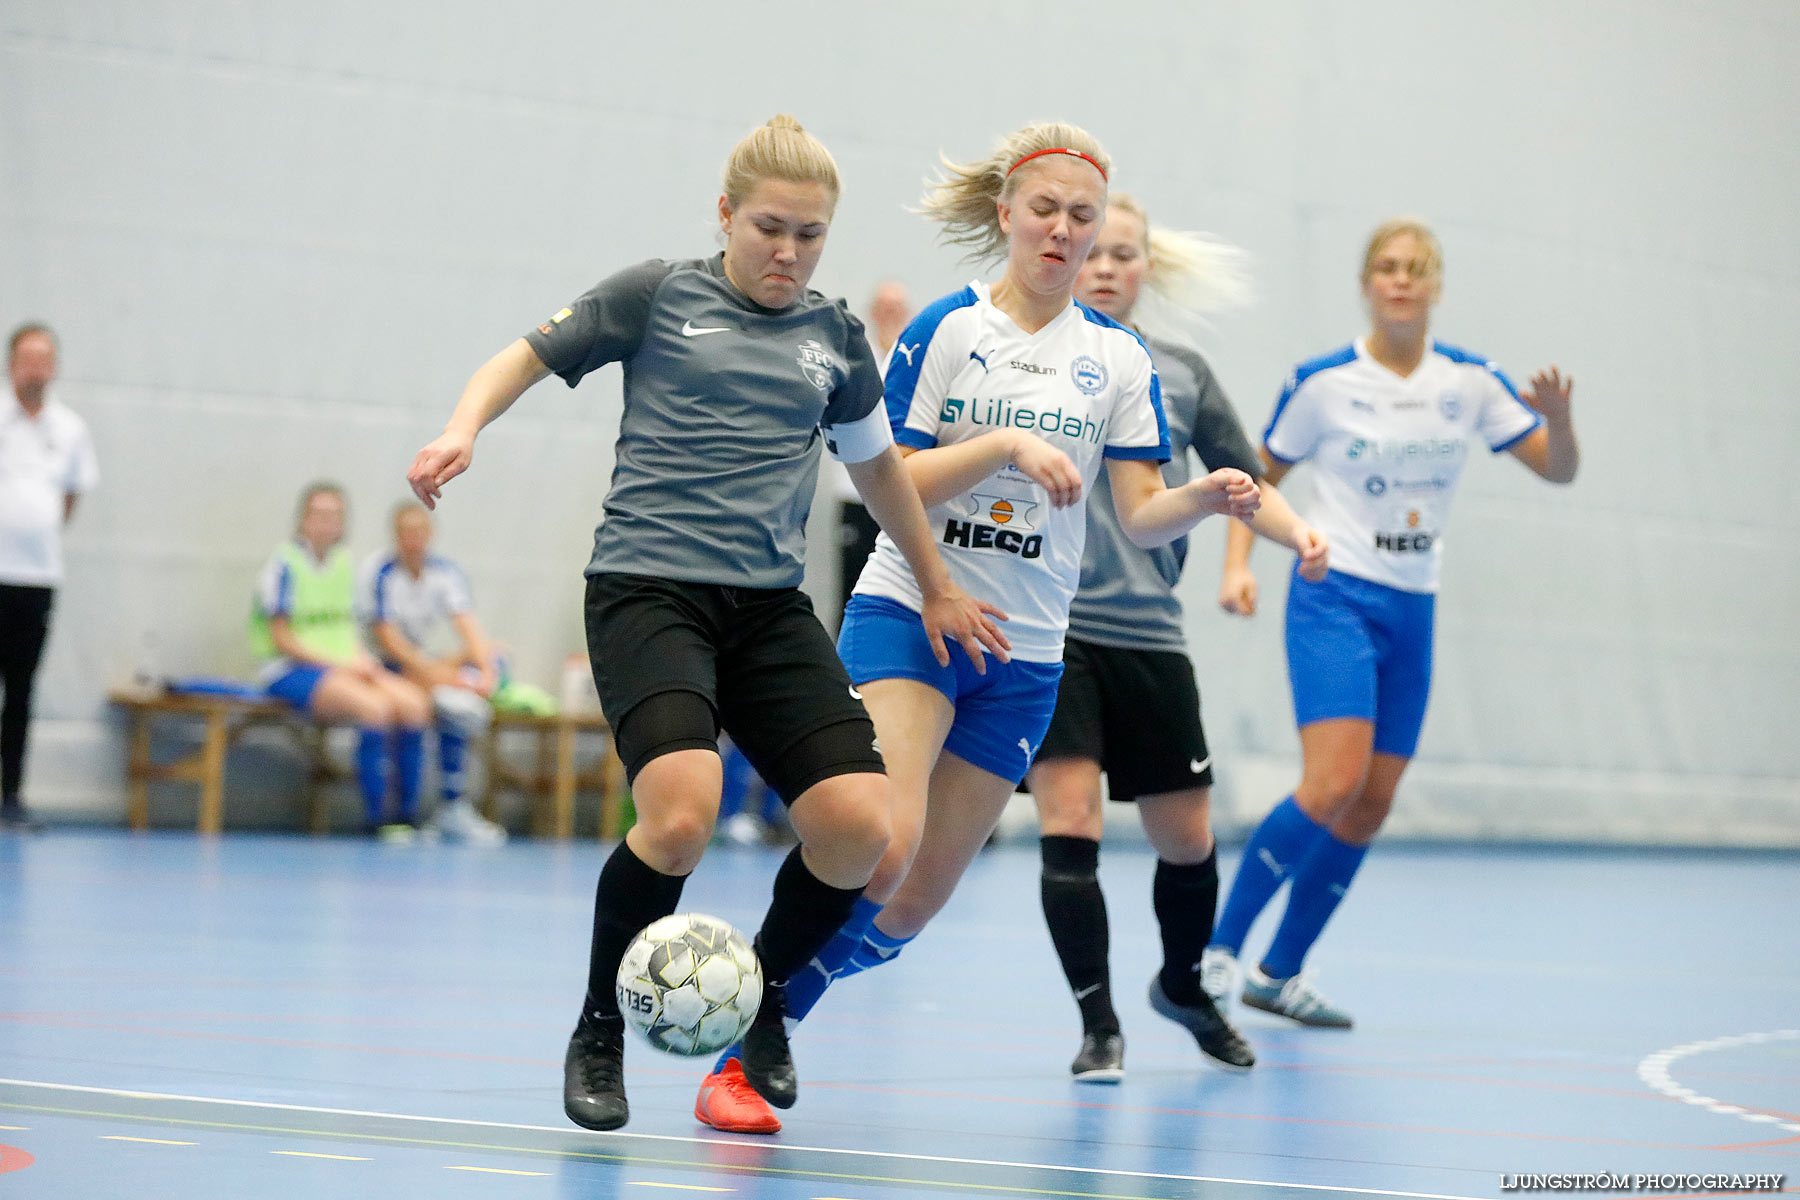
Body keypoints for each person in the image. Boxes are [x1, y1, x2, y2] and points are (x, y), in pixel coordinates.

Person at [405, 115, 1005, 1133]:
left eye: (810, 234)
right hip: (649, 590)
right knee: (681, 811)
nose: (789, 251)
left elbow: (879, 472)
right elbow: (520, 357)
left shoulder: (834, 340)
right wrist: (462, 429)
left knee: (862, 830)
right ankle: (600, 1026)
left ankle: (761, 1007)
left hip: (766, 610)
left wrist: (940, 582)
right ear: (726, 215)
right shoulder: (656, 295)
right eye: (770, 227)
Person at [694, 122, 1262, 1134]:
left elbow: (1134, 512)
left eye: (1081, 217)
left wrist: (1206, 499)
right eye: (1044, 209)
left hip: (1027, 652)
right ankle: (746, 1042)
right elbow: (889, 478)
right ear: (1006, 215)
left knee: (908, 908)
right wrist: (1003, 445)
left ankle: (764, 1007)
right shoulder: (949, 332)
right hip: (913, 609)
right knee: (885, 841)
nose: (1062, 230)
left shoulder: (1117, 360)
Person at [1201, 217, 1580, 1028]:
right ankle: (1217, 952)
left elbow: (1558, 470)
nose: (1401, 280)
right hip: (1334, 592)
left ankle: (1279, 973)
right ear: (1368, 284)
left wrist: (1562, 421)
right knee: (1332, 781)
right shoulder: (1324, 382)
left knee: (1371, 801)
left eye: (1416, 268)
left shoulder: (1471, 382)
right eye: (1386, 267)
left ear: (1436, 286)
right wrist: (1238, 565)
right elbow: (1253, 479)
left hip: (1415, 606)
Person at [1024, 194, 1330, 1084]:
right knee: (1070, 818)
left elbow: (1249, 479)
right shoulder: (1028, 362)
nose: (1109, 266)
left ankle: (1184, 987)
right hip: (1055, 633)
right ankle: (1098, 1024)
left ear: (1146, 266)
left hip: (1151, 638)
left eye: (1126, 253)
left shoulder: (1181, 373)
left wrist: (1299, 534)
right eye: (1096, 251)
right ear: (1065, 252)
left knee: (1187, 841)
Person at [251, 483, 433, 837]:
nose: (326, 523)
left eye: (334, 515)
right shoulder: (284, 564)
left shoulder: (343, 564)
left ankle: (408, 816)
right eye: (318, 514)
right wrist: (338, 664)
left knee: (414, 705)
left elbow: (346, 629)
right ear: (303, 519)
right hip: (291, 670)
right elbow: (282, 637)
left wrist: (363, 662)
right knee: (375, 709)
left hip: (342, 666)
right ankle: (375, 818)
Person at [358, 501, 507, 845]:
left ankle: (452, 806)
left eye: (420, 533)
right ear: (395, 537)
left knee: (474, 680)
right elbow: (386, 636)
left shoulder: (444, 573)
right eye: (406, 534)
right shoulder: (379, 572)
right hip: (384, 665)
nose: (414, 541)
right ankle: (394, 814)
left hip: (422, 664)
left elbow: (465, 622)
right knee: (426, 704)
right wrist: (432, 673)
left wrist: (485, 668)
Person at [1, 323, 99, 832]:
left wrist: (34, 529)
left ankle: (10, 796)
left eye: (44, 359)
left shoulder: (69, 429)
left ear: (54, 367)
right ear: (10, 364)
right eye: (26, 358)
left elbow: (69, 498)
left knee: (20, 690)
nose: (35, 368)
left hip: (36, 577)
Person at [825, 280, 914, 625]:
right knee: (849, 587)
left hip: (899, 494)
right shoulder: (856, 361)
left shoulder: (910, 362)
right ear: (874, 314)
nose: (891, 316)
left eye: (898, 309)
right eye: (885, 308)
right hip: (855, 497)